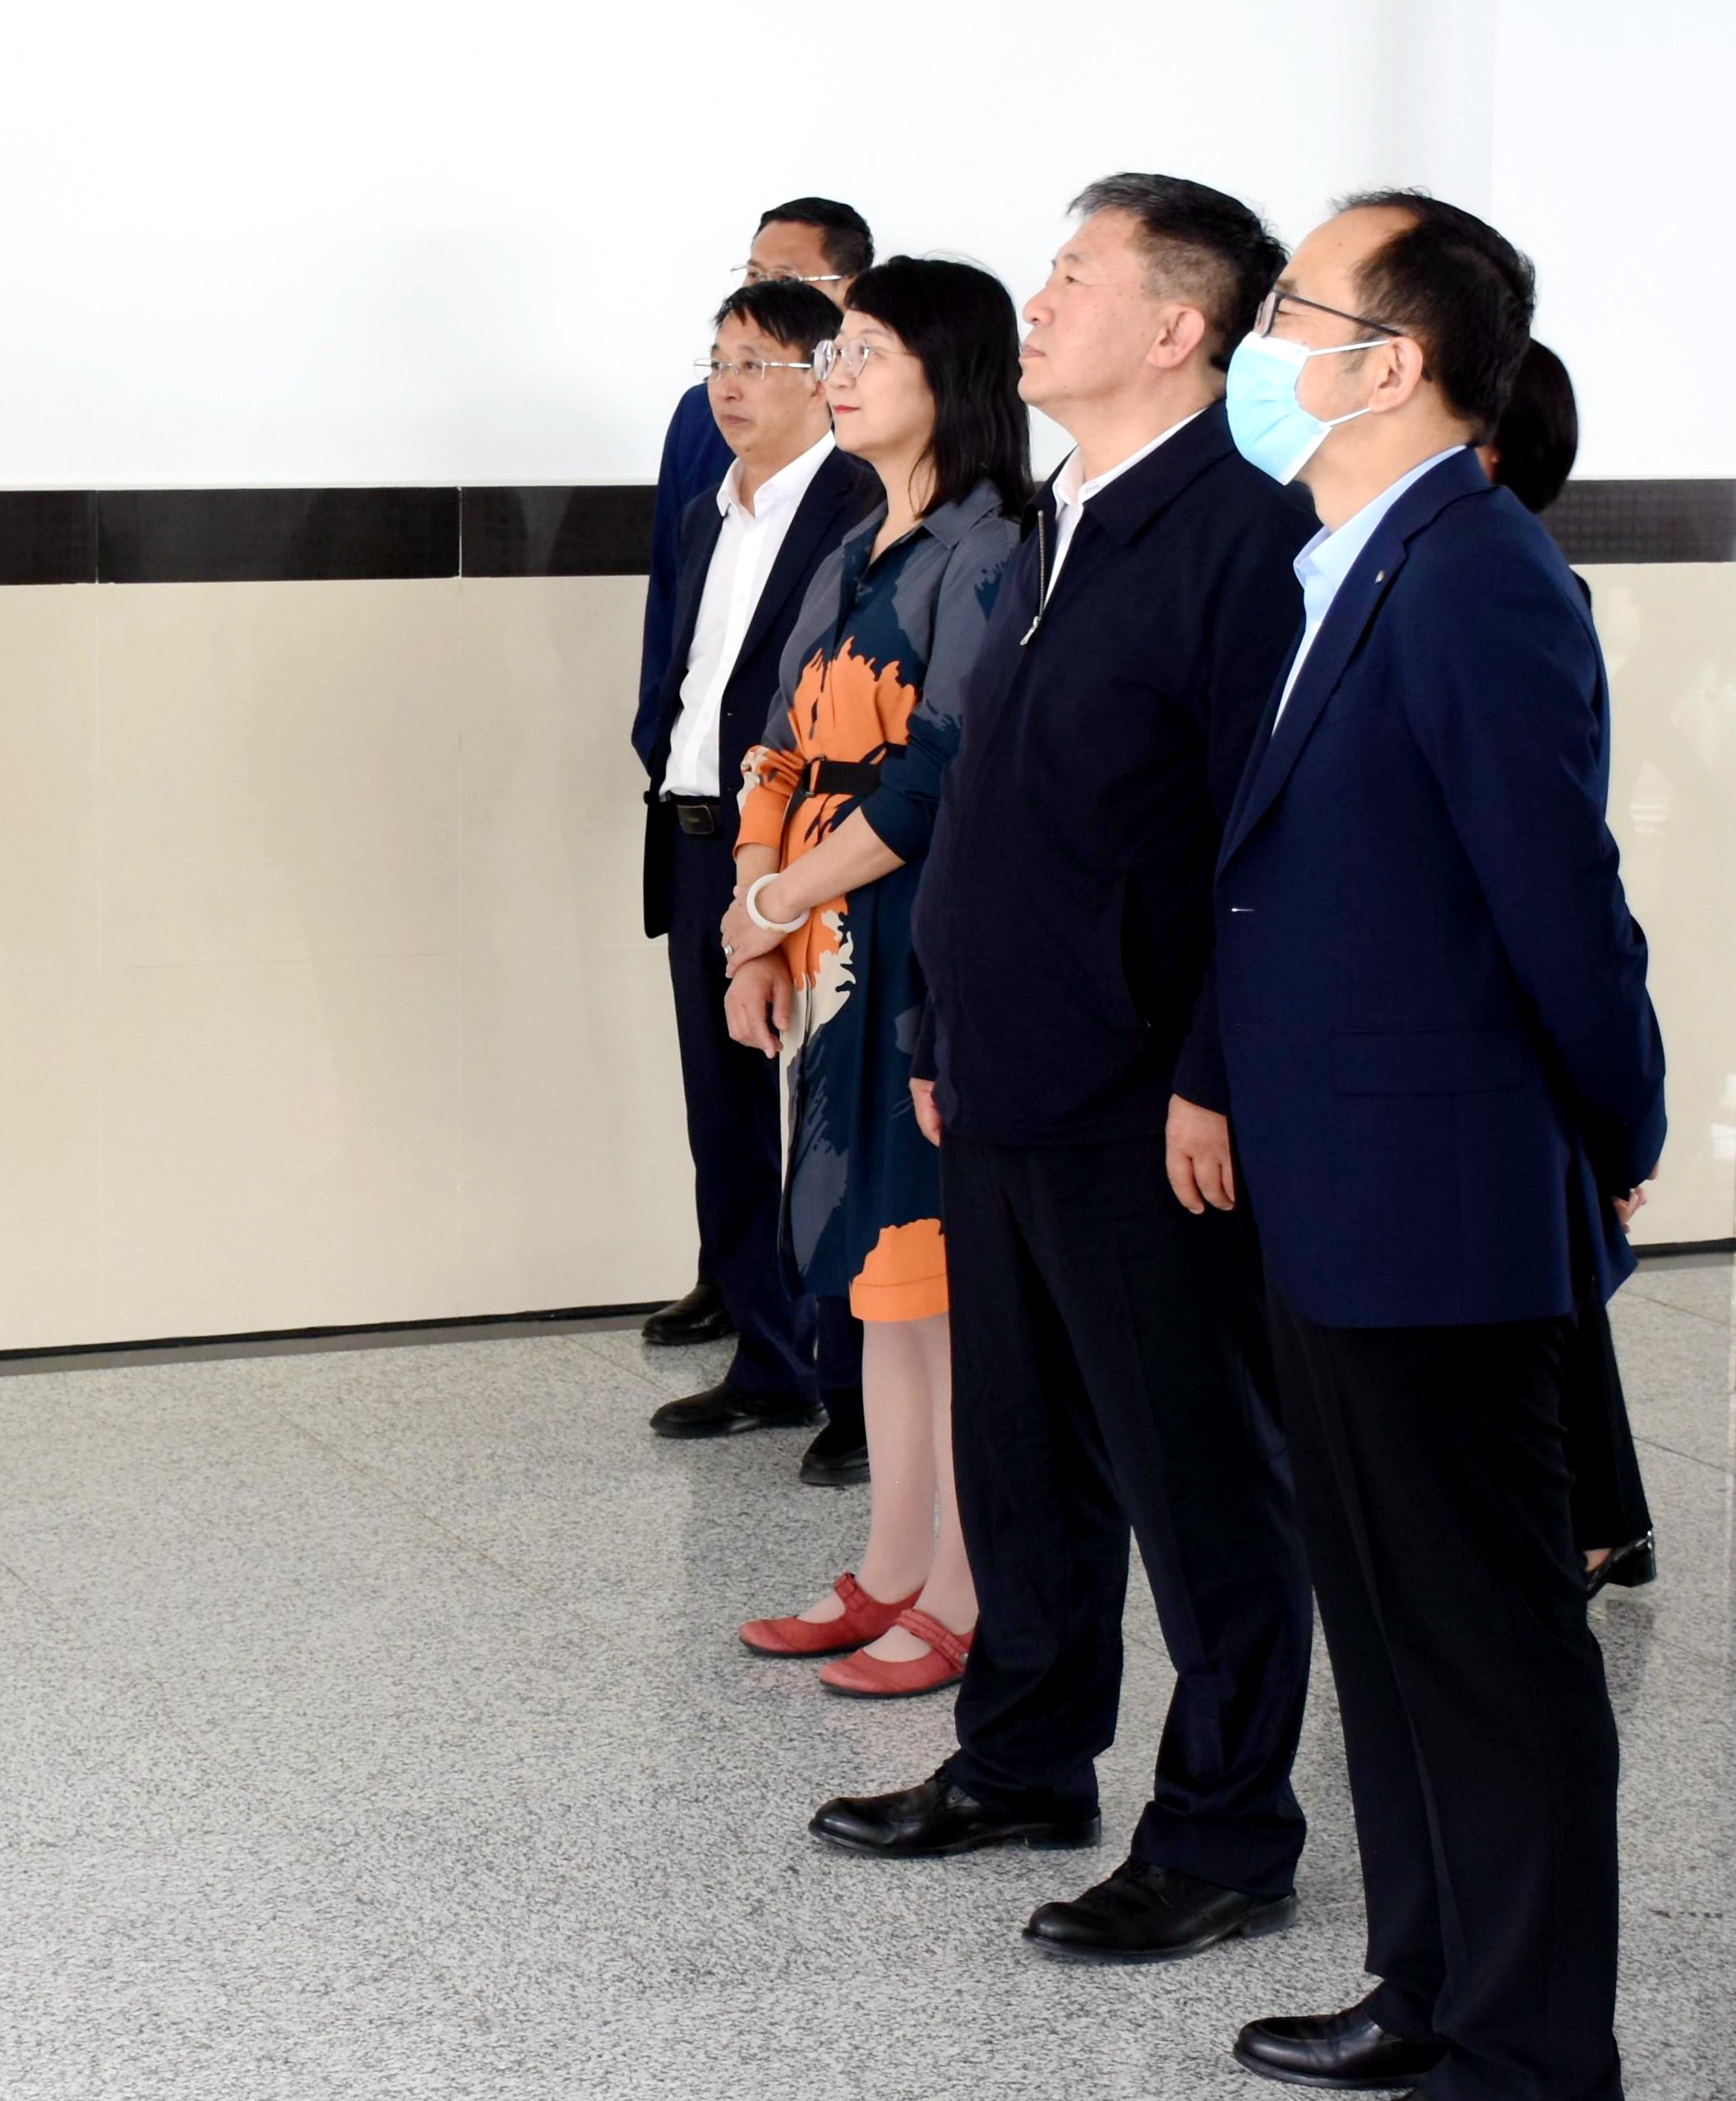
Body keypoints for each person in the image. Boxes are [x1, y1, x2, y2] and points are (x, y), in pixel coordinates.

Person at [811, 177, 1325, 1970]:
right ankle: (1025, 1759)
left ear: (1179, 327)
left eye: (1073, 275)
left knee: (1198, 1474)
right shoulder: (1066, 517)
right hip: (1007, 1068)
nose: (1036, 302)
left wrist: (1214, 1075)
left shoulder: (1240, 536)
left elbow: (1262, 846)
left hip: (1142, 1094)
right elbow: (994, 800)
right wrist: (942, 1025)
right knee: (1024, 1454)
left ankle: (1228, 1832)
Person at [1217, 195, 1661, 2098]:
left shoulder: (1479, 573)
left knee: (1487, 1641)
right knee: (1390, 1627)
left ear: (1388, 362)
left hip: (1446, 1195)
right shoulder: (1348, 558)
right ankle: (1427, 1983)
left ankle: (1533, 2046)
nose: (1258, 338)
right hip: (1340, 1189)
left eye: (1291, 307)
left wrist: (1614, 1127)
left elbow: (1562, 901)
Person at [716, 259, 1025, 1696]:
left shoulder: (991, 545)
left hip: (916, 954)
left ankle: (962, 1592)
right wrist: (755, 922)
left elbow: (933, 783)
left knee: (939, 1284)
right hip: (827, 944)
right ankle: (894, 1564)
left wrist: (778, 898)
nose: (835, 376)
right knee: (878, 1283)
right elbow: (777, 746)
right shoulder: (853, 545)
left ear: (948, 373)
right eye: (833, 353)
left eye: (867, 352)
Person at [632, 279, 880, 1482]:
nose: (726, 387)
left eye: (755, 365)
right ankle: (768, 1360)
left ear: (820, 378)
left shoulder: (858, 507)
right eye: (718, 362)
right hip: (697, 841)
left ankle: (858, 1387)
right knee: (723, 1113)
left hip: (810, 848)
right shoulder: (707, 511)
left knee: (827, 1119)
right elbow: (687, 673)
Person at [1477, 340, 1658, 1596]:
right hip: (1510, 985)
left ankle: (1595, 1522)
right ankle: (1607, 1516)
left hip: (1513, 989)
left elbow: (1556, 858)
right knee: (1555, 1271)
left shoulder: (1505, 580)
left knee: (1554, 1270)